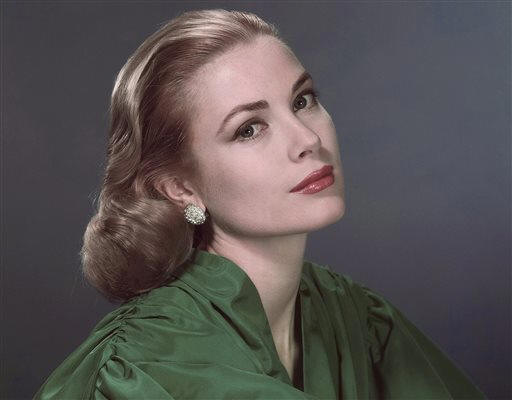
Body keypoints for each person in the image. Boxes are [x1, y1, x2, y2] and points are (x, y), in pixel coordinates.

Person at [34, 8, 486, 400]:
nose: (307, 139)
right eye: (248, 129)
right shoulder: (143, 368)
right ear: (179, 187)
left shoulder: (356, 318)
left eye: (302, 101)